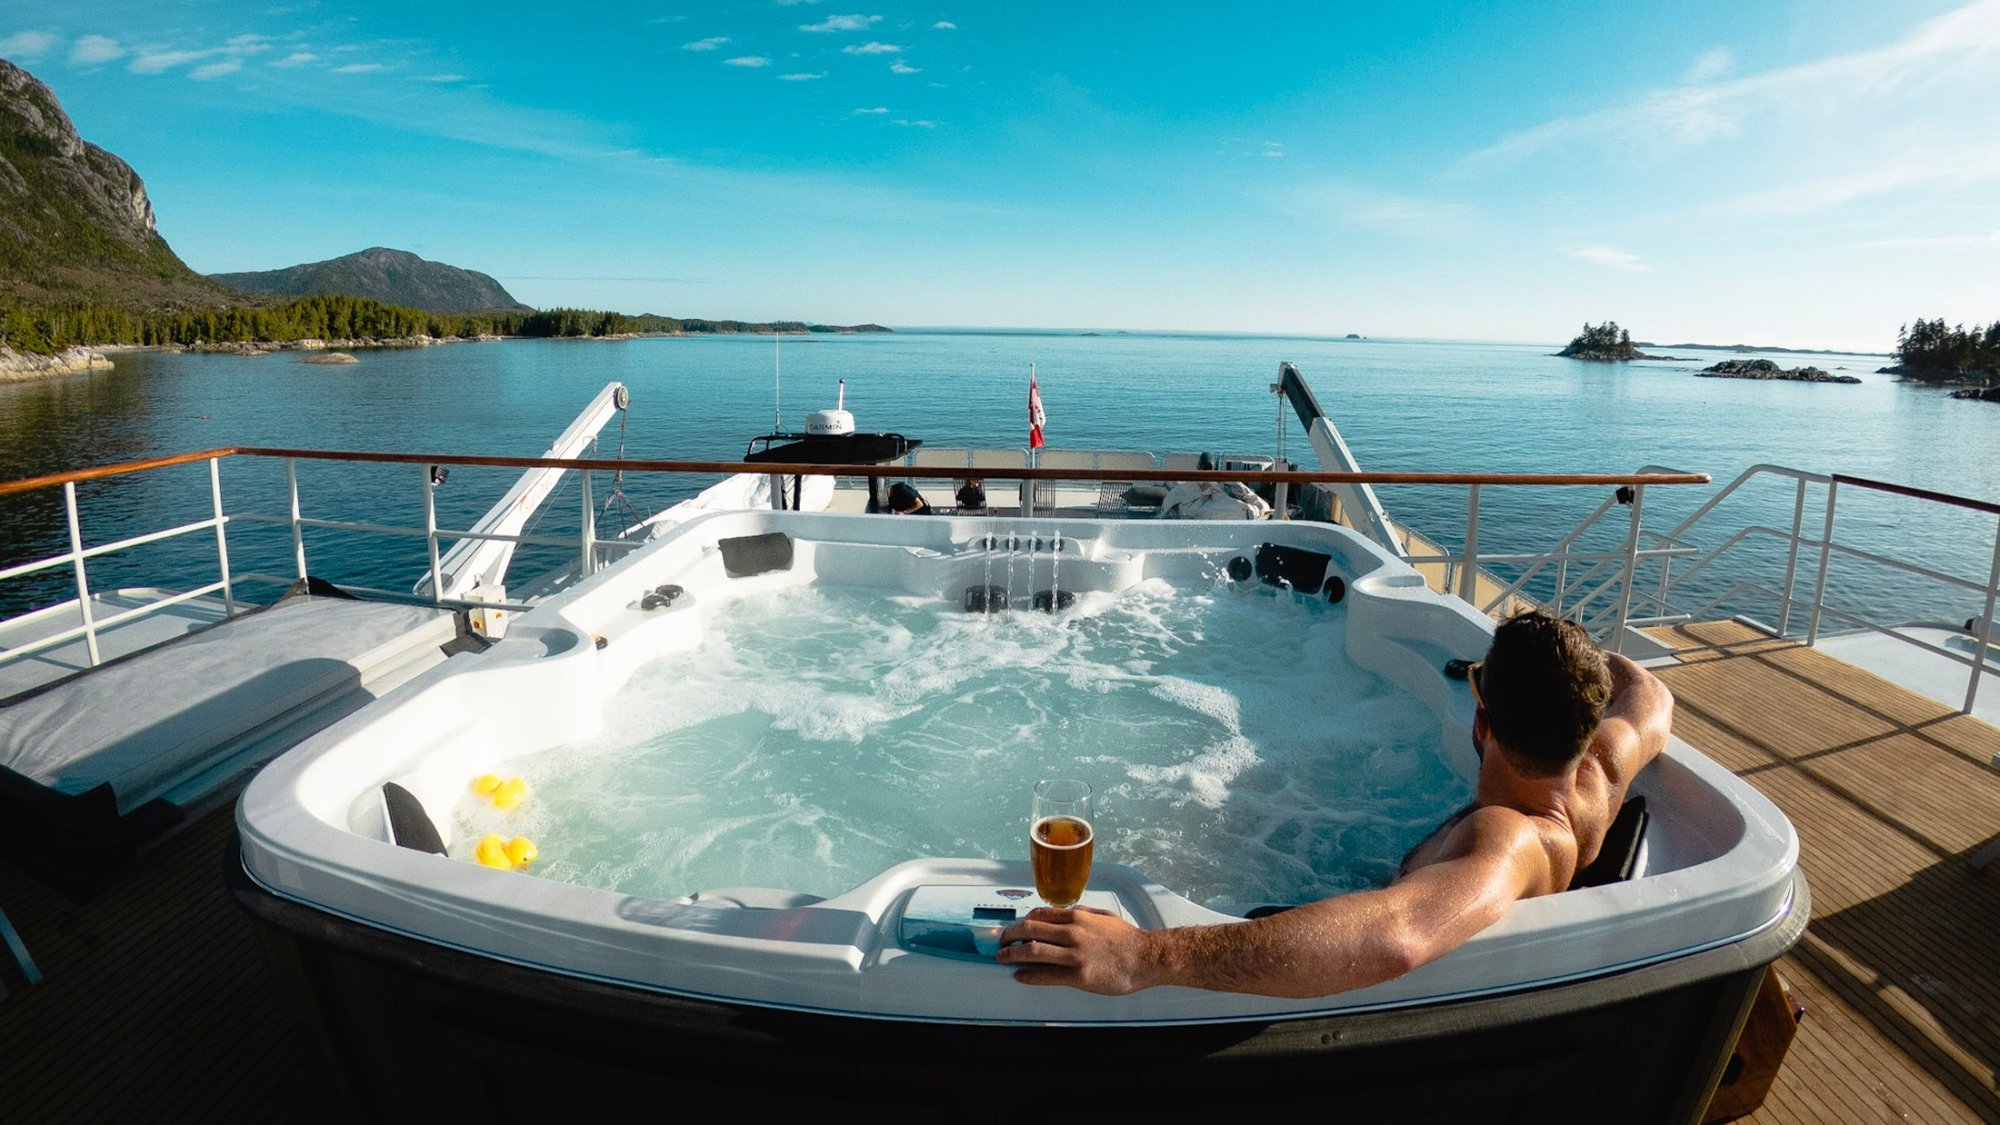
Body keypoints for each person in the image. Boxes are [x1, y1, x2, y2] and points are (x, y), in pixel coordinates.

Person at [996, 609, 1674, 998]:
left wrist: (1144, 955)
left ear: (1481, 723)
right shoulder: (1604, 763)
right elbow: (1651, 694)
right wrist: (1565, 665)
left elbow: (1398, 937)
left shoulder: (1510, 839)